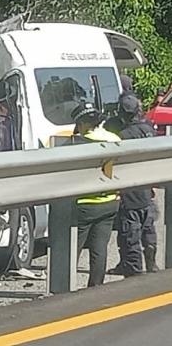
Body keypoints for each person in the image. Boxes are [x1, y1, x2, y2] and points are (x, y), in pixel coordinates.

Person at [67, 102, 121, 287]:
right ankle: (95, 288)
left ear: (81, 124)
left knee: (73, 248)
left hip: (84, 204)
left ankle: (65, 286)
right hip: (110, 201)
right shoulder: (114, 138)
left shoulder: (77, 143)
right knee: (99, 249)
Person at [106, 95, 159, 275]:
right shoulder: (149, 129)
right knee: (148, 229)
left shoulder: (123, 136)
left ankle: (134, 272)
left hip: (130, 191)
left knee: (130, 234)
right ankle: (152, 265)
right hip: (147, 187)